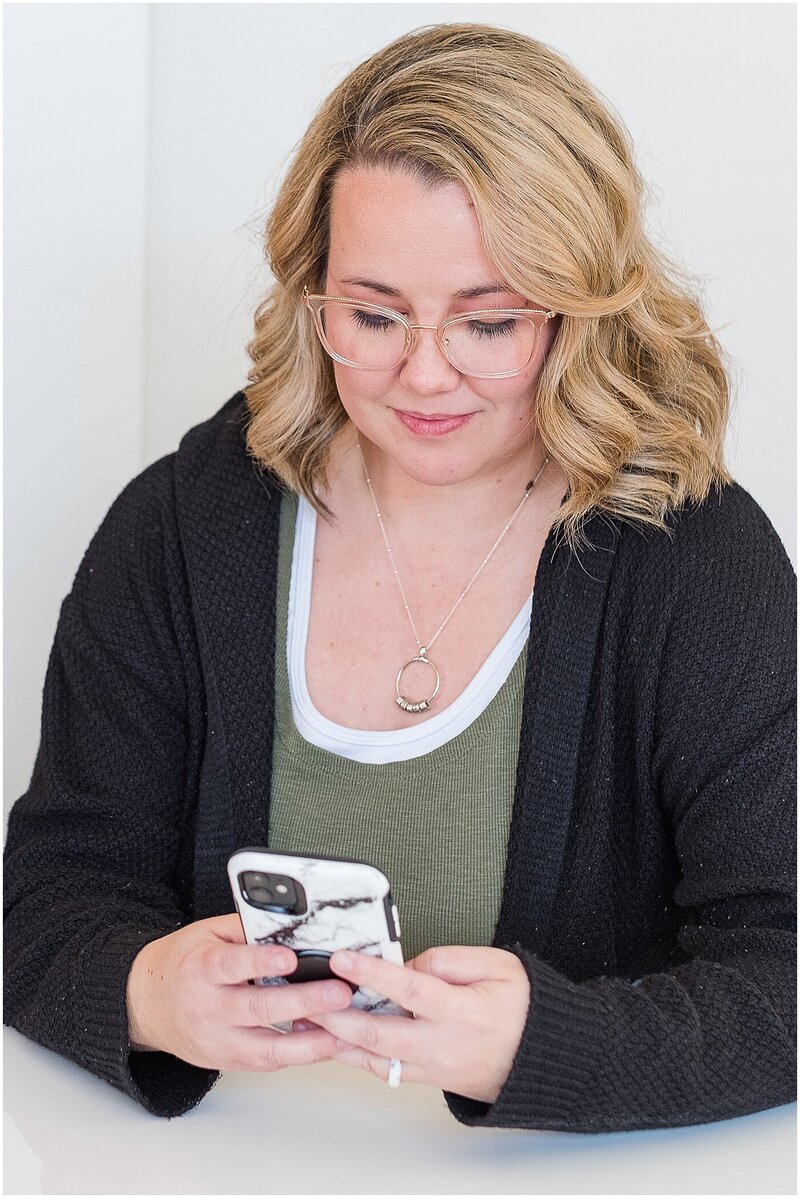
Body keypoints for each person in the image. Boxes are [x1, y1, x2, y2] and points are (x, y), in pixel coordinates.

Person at [4, 22, 795, 1131]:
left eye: (488, 321)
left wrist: (545, 1045)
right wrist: (145, 993)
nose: (423, 373)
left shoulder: (697, 563)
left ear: (579, 308)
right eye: (372, 314)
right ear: (309, 291)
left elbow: (783, 979)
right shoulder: (188, 525)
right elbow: (45, 899)